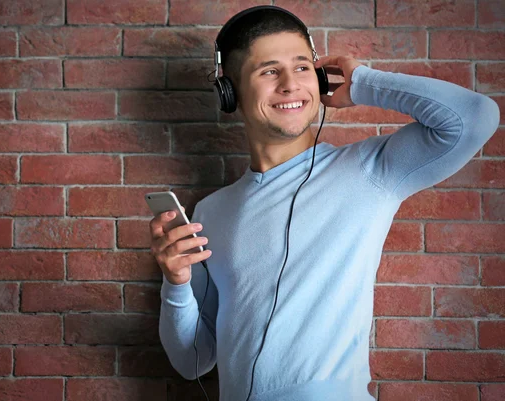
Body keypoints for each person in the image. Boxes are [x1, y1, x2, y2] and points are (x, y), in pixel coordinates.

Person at [148, 6, 500, 401]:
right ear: (230, 93)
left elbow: (475, 117)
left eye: (302, 68)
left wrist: (365, 83)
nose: (290, 84)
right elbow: (192, 360)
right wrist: (176, 283)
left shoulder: (369, 171)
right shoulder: (209, 213)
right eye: (268, 71)